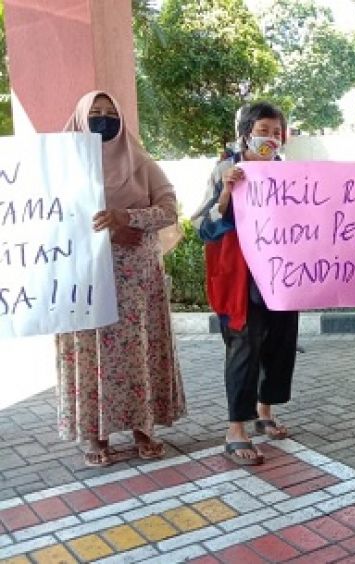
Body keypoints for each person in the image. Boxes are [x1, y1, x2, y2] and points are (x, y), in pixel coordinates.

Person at [57, 91, 186, 467]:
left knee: (136, 353)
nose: (102, 118)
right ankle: (94, 435)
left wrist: (127, 217)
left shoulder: (139, 161)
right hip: (82, 278)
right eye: (94, 113)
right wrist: (107, 230)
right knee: (90, 353)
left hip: (136, 281)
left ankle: (143, 427)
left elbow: (167, 208)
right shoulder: (61, 165)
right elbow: (50, 218)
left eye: (110, 113)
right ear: (80, 120)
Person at [192, 101, 298, 466]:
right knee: (244, 347)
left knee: (280, 343)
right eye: (262, 130)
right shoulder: (226, 169)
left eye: (275, 132)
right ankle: (235, 429)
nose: (269, 138)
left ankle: (264, 411)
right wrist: (225, 193)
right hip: (239, 277)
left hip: (280, 275)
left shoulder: (288, 175)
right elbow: (202, 224)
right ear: (245, 133)